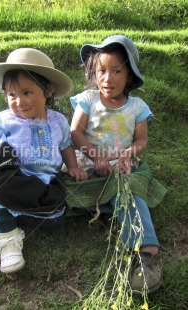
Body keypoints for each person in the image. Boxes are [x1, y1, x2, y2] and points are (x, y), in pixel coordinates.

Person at [0, 47, 88, 274]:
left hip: (44, 181)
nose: (18, 102)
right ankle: (7, 237)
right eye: (11, 94)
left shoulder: (59, 121)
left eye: (26, 93)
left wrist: (72, 166)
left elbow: (65, 146)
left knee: (55, 221)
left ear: (48, 90)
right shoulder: (5, 120)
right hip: (12, 176)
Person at [69, 35, 165, 294]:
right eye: (101, 71)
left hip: (121, 163)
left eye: (116, 71)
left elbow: (141, 139)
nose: (107, 78)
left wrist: (129, 152)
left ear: (130, 75)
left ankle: (147, 253)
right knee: (60, 190)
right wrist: (96, 158)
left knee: (129, 190)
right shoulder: (88, 99)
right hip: (88, 161)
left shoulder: (137, 107)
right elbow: (75, 133)